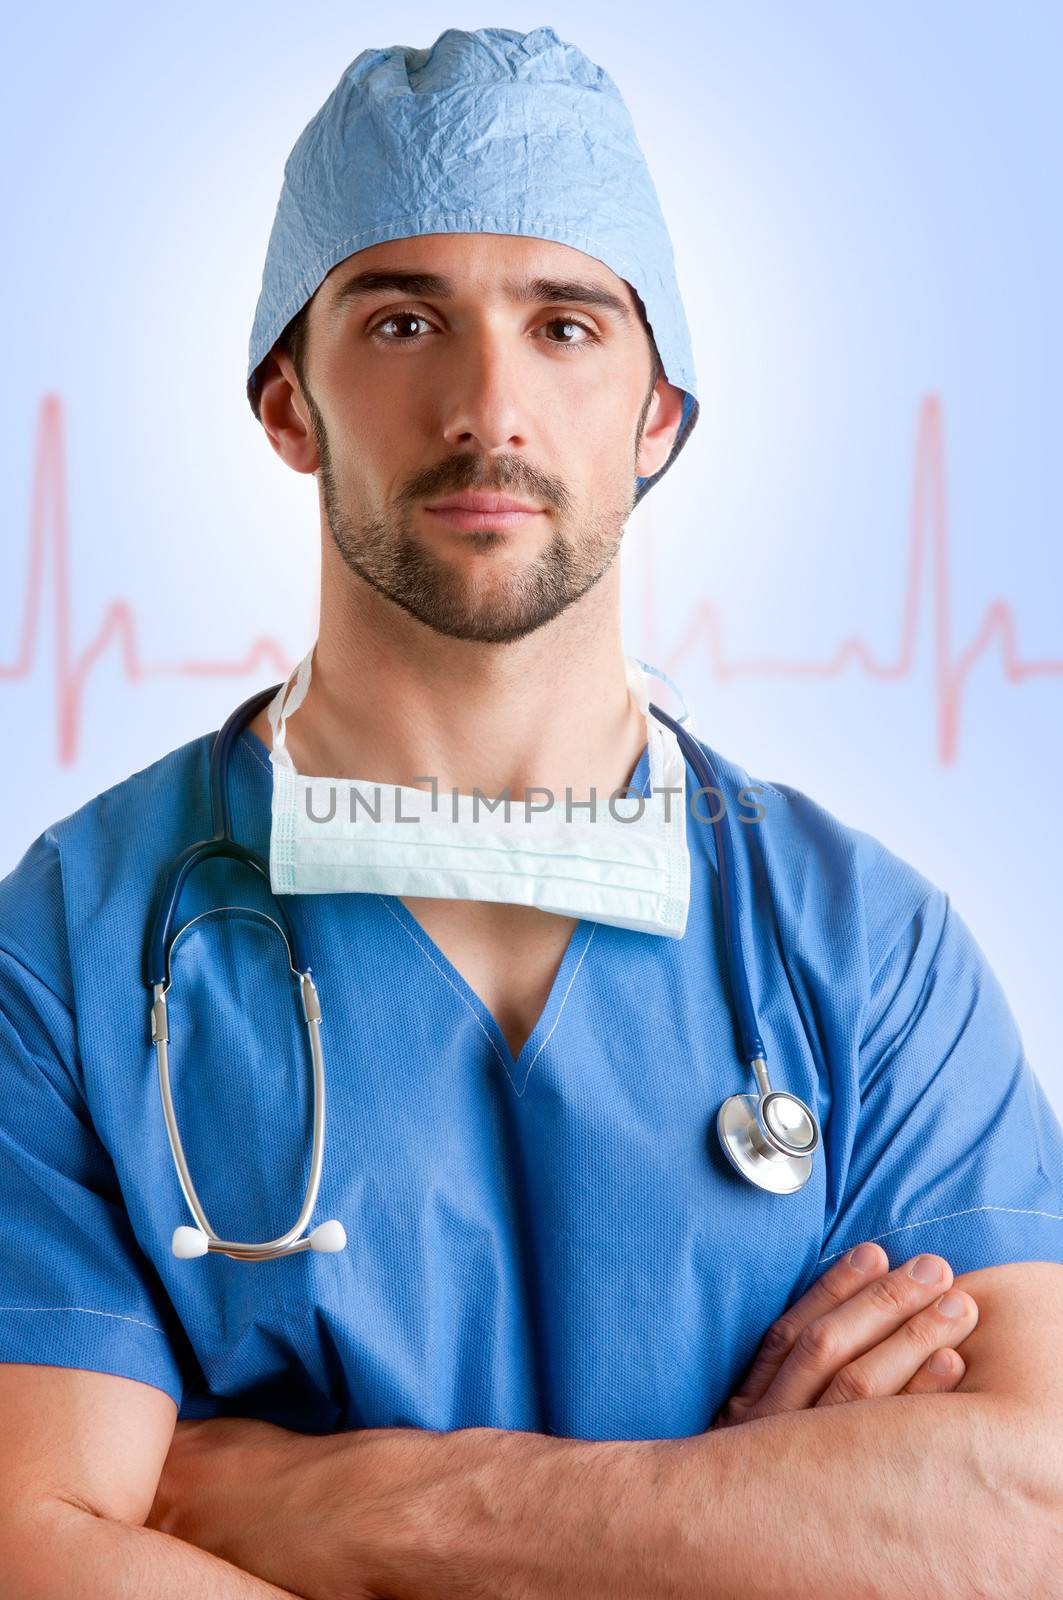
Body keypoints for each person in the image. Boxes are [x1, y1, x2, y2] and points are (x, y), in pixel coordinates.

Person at [1, 25, 1061, 1600]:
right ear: (288, 404)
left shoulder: (864, 949)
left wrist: (367, 1516)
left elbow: (1029, 1521)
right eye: (405, 319)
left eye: (565, 325)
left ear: (658, 416)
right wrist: (756, 1517)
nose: (488, 407)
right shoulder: (82, 946)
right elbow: (34, 1551)